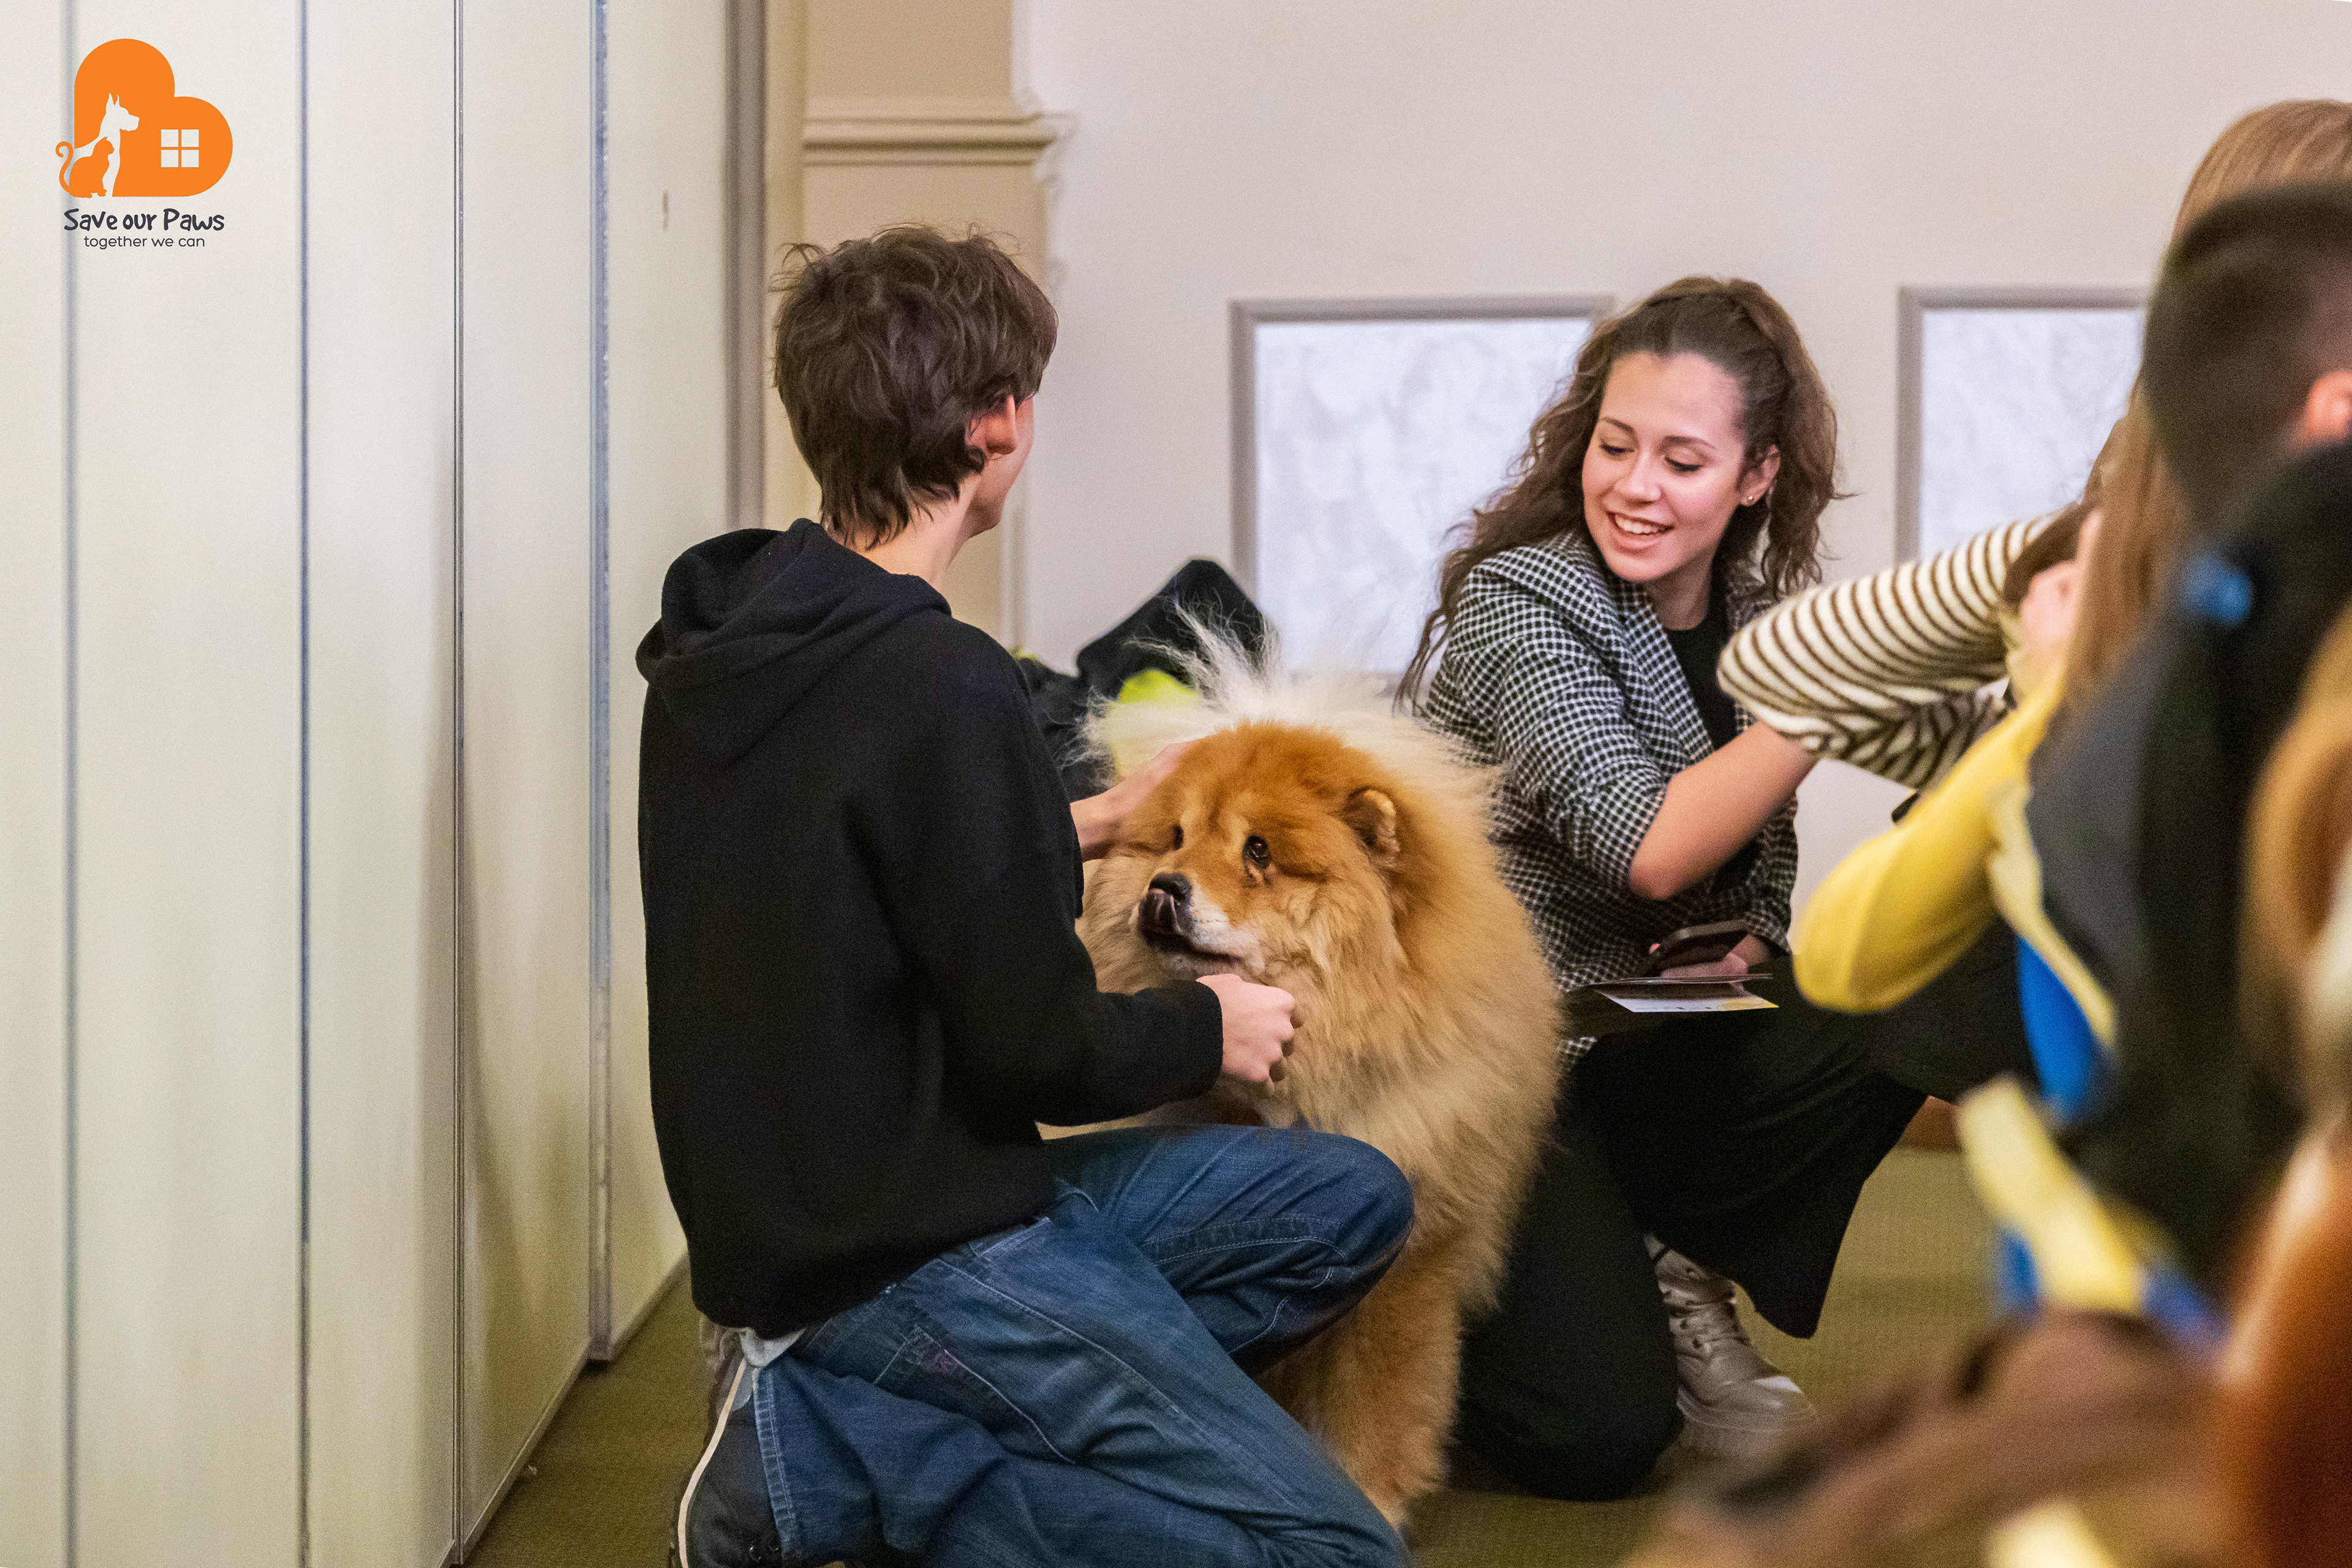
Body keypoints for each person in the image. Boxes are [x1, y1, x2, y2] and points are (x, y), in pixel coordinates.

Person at [639, 225, 1414, 1568]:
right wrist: (1210, 1028)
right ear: (997, 425)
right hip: (913, 1252)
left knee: (1355, 1196)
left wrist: (1087, 819)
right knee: (1339, 1554)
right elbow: (1038, 1051)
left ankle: (865, 1418)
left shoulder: (733, 643)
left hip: (801, 1222)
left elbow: (840, 870)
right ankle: (841, 1466)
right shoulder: (945, 683)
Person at [1403, 277, 1935, 1494]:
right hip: (1505, 1058)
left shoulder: (1759, 617)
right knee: (1596, 1439)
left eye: (1683, 460)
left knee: (1912, 970)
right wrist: (1846, 684)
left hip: (1648, 1027)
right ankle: (1411, 1311)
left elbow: (1756, 868)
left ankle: (1675, 1261)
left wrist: (1745, 942)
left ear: (1757, 475)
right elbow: (1644, 842)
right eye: (1617, 445)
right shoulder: (1522, 598)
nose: (1636, 486)